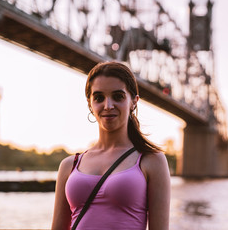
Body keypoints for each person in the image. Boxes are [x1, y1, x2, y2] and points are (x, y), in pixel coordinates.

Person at [51, 61, 171, 230]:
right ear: (89, 103)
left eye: (118, 96)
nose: (108, 106)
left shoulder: (151, 161)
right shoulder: (69, 165)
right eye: (99, 98)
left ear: (134, 102)